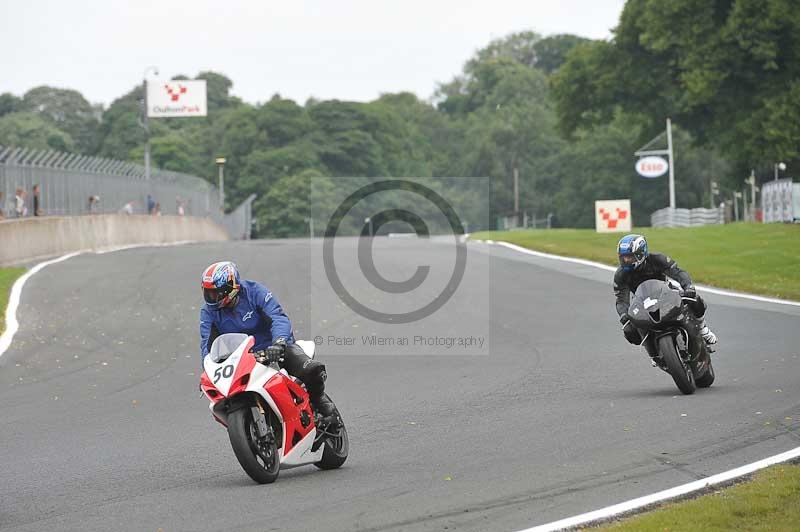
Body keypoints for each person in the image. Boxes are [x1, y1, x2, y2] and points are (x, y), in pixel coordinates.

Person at [199, 261, 335, 418]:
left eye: (216, 292)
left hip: (273, 349)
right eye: (208, 293)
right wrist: (208, 369)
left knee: (311, 369)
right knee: (222, 401)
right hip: (240, 360)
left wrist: (279, 343)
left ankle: (319, 398)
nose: (212, 297)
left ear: (231, 286)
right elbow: (207, 344)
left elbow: (277, 317)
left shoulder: (254, 292)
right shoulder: (208, 312)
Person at [614, 234, 717, 357]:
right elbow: (621, 299)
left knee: (694, 298)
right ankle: (653, 354)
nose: (626, 260)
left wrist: (688, 287)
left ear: (641, 253)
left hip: (666, 292)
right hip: (642, 302)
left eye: (629, 257)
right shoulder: (620, 275)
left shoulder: (657, 259)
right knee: (629, 329)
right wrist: (624, 315)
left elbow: (678, 272)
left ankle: (702, 328)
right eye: (623, 257)